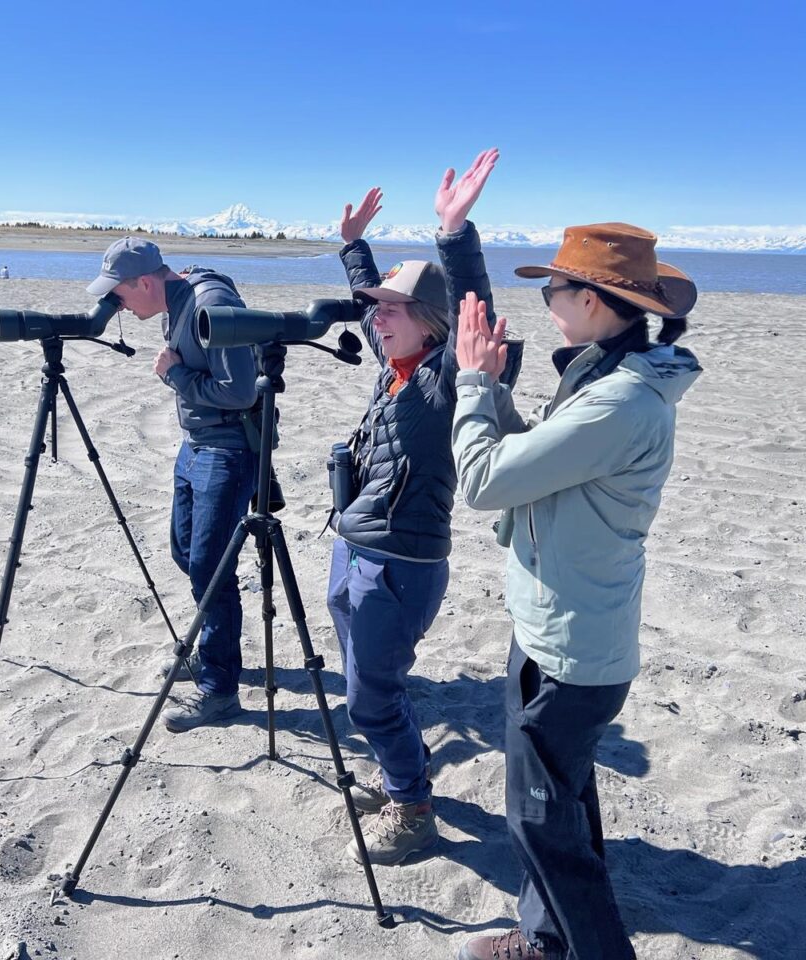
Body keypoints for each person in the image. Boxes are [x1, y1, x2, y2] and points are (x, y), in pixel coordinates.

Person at [449, 224, 703, 960]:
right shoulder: (601, 376)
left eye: (552, 290)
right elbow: (530, 461)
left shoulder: (618, 401)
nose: (547, 303)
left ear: (590, 300)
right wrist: (493, 388)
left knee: (543, 824)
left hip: (572, 649)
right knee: (561, 807)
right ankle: (547, 940)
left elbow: (485, 482)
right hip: (555, 626)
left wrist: (471, 383)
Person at [326, 149, 520, 865]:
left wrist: (455, 233)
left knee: (369, 696)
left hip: (401, 565)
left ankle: (412, 808)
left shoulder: (445, 377)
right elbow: (367, 303)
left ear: (434, 324)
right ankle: (399, 776)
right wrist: (354, 249)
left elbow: (478, 310)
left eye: (394, 311)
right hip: (353, 546)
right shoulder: (395, 368)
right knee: (363, 687)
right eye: (377, 310)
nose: (378, 320)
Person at [85, 236, 259, 731]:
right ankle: (213, 649)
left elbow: (240, 390)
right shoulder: (174, 299)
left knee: (210, 568)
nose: (116, 304)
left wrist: (176, 376)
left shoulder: (210, 303)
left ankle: (220, 689)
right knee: (186, 552)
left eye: (119, 294)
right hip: (196, 446)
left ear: (145, 281)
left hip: (227, 449)